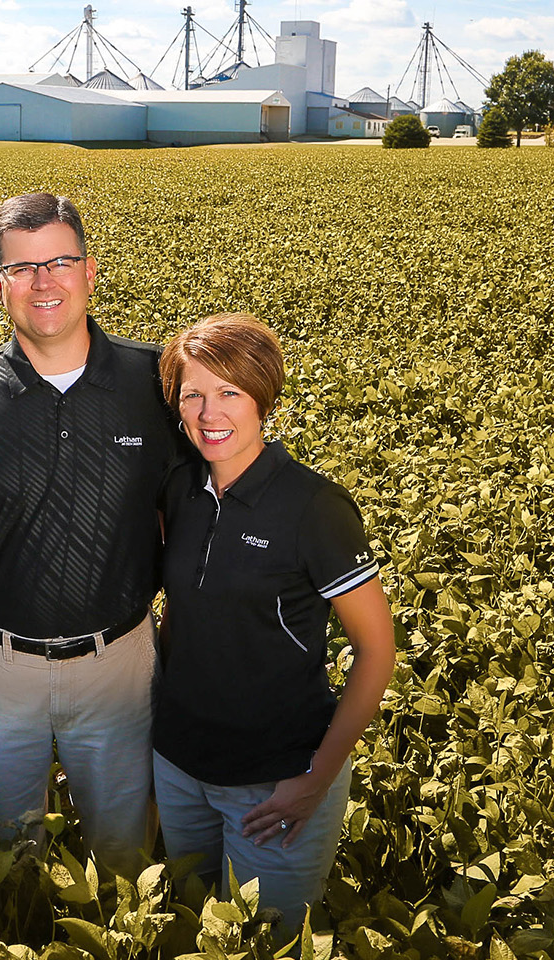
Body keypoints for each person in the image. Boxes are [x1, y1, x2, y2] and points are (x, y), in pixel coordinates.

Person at [0, 192, 178, 875]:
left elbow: (196, 523)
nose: (43, 281)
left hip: (121, 664)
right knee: (4, 860)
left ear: (90, 271)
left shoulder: (157, 382)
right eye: (22, 268)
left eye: (59, 262)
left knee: (124, 859)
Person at [153, 313, 395, 929]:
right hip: (179, 766)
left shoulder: (313, 507)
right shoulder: (178, 490)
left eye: (230, 391)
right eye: (194, 395)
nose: (211, 412)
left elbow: (375, 650)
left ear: (263, 396)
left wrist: (317, 777)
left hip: (275, 781)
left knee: (270, 940)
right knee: (191, 924)